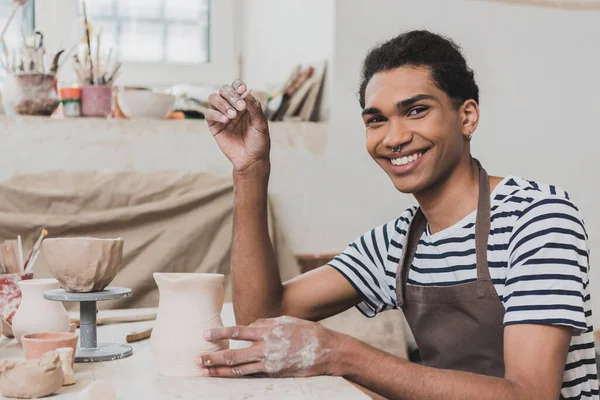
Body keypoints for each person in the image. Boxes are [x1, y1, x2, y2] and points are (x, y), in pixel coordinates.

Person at [198, 30, 598, 400]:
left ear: (467, 116)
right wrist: (250, 171)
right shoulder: (397, 243)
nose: (393, 137)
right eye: (376, 120)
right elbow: (260, 319)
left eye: (417, 110)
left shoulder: (537, 217)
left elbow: (530, 394)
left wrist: (340, 354)